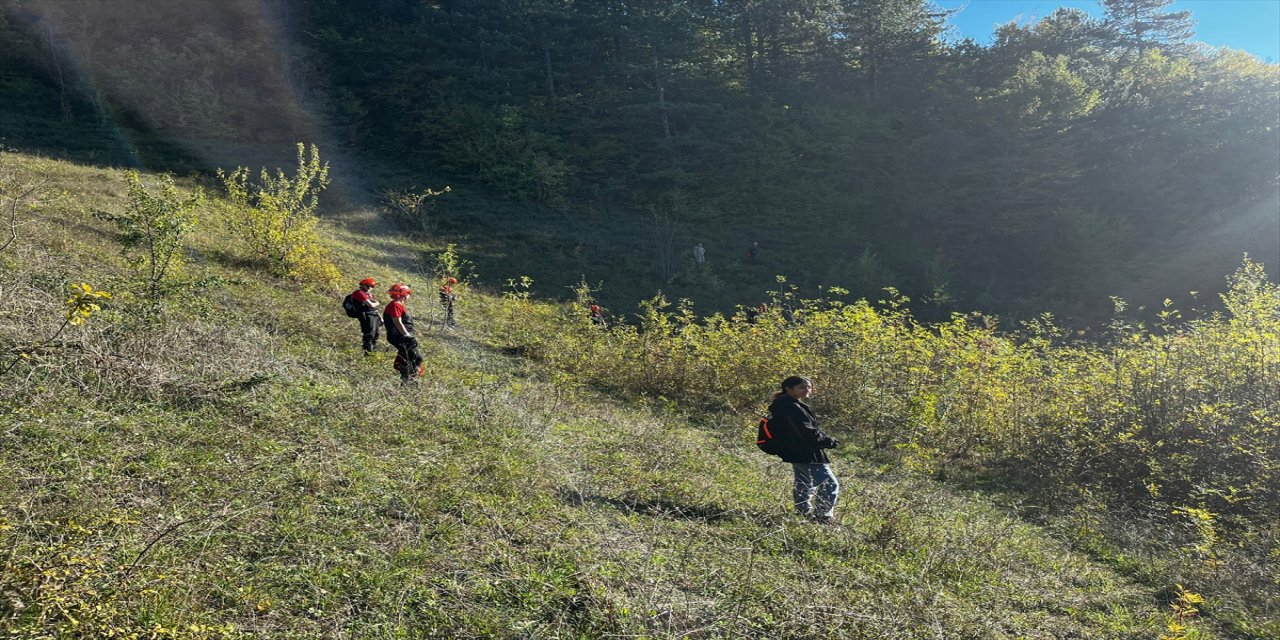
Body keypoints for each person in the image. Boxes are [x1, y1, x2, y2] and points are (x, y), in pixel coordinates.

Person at [767, 376, 840, 523]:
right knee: (829, 484)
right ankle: (823, 517)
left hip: (795, 451)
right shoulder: (791, 407)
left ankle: (803, 512)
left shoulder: (786, 404)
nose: (807, 390)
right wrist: (829, 441)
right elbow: (806, 432)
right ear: (788, 388)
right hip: (805, 452)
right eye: (801, 387)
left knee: (804, 482)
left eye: (809, 387)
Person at [383, 283, 424, 383]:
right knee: (416, 357)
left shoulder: (398, 305)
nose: (409, 295)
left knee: (407, 356)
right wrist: (406, 335)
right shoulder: (395, 305)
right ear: (403, 294)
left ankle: (408, 380)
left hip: (401, 335)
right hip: (400, 336)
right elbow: (397, 321)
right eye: (408, 293)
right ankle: (409, 380)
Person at [350, 277, 382, 354]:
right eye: (368, 285)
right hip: (366, 315)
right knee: (369, 334)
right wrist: (377, 303)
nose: (370, 288)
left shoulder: (369, 294)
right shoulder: (359, 293)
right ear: (362, 285)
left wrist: (380, 317)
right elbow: (370, 305)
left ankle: (372, 351)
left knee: (376, 334)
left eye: (372, 286)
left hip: (374, 315)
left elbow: (375, 308)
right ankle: (367, 351)